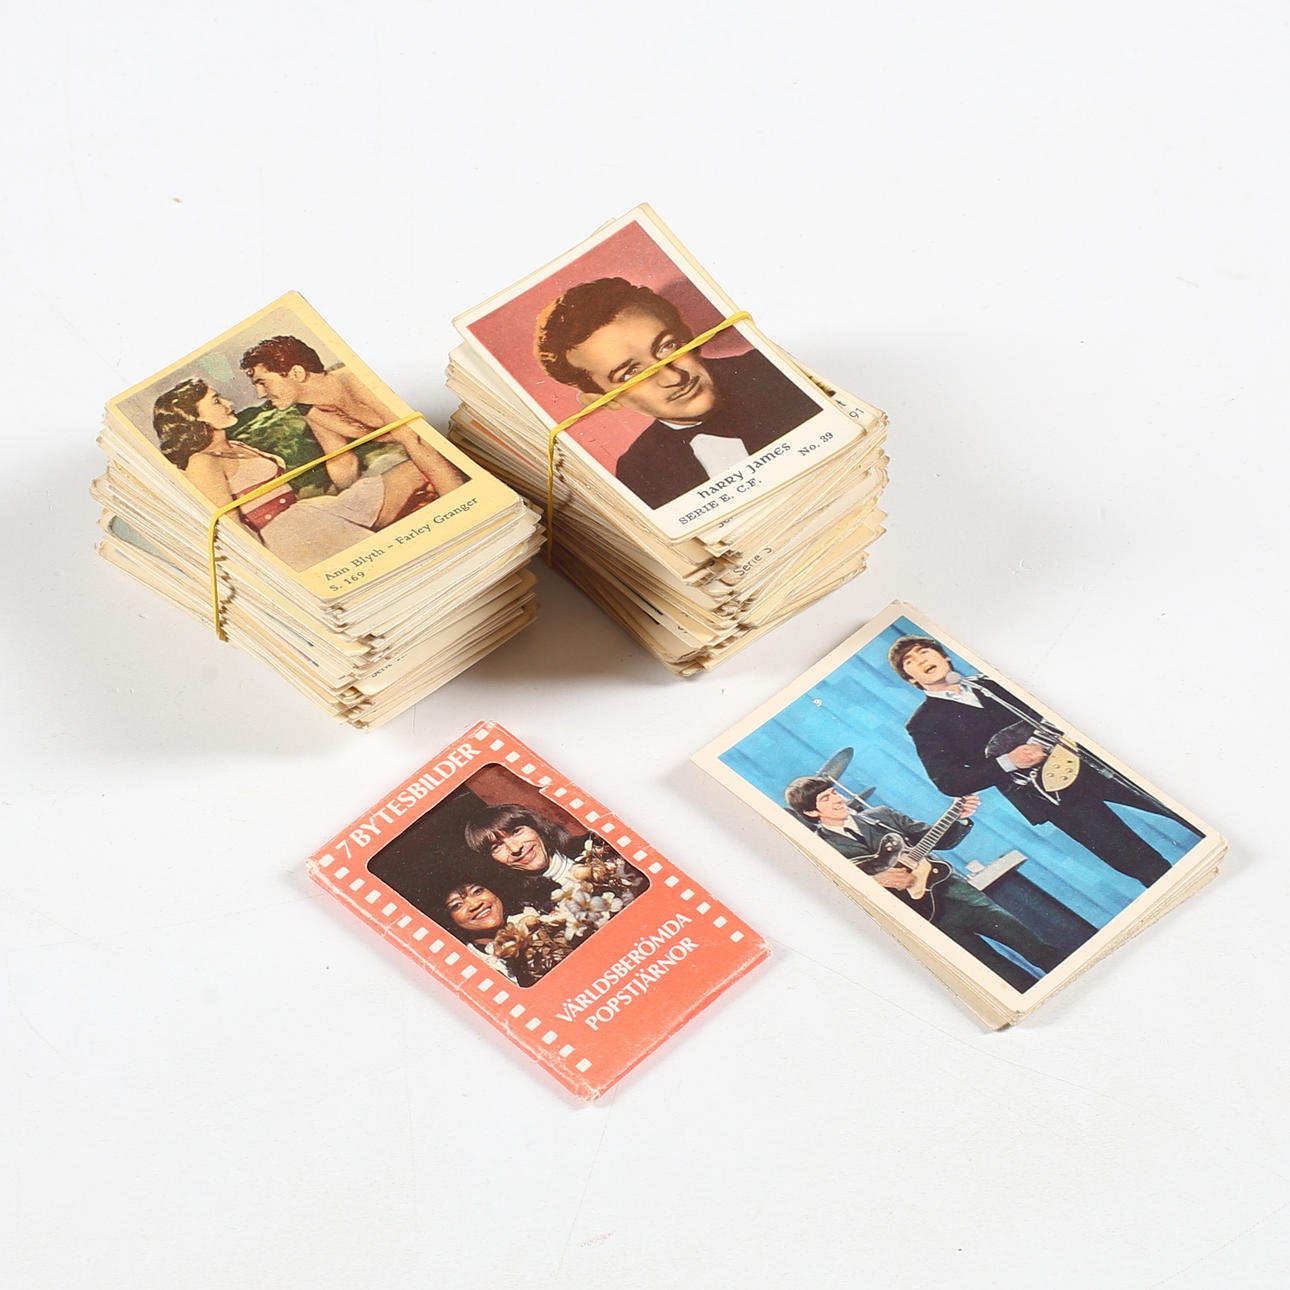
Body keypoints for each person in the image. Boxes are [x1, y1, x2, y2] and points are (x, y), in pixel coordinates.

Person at [890, 634, 1185, 888]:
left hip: (1089, 762)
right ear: (911, 679)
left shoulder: (992, 683)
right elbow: (949, 781)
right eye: (910, 662)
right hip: (1050, 797)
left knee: (1177, 805)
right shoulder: (923, 723)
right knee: (1138, 861)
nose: (921, 660)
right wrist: (1008, 761)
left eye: (924, 651)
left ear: (944, 656)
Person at [534, 277, 820, 508]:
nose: (673, 377)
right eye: (630, 373)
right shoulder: (639, 470)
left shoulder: (777, 372)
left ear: (687, 334)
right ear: (602, 402)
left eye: (667, 346)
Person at [785, 776, 1063, 992]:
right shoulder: (819, 848)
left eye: (834, 792)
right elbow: (837, 897)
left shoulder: (881, 815)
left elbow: (938, 839)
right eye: (826, 798)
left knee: (1034, 946)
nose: (837, 799)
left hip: (959, 896)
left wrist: (961, 817)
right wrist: (874, 882)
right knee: (1003, 976)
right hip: (925, 920)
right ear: (811, 812)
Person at [152, 378, 382, 571]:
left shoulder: (236, 445)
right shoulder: (201, 462)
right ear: (195, 417)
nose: (229, 403)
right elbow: (231, 527)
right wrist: (267, 570)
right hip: (287, 538)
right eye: (216, 401)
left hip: (306, 516)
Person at [239, 335, 468, 527]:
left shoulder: (355, 381)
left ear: (297, 373)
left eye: (263, 382)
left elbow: (414, 439)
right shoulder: (311, 409)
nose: (260, 394)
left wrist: (458, 503)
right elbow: (341, 461)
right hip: (424, 457)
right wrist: (352, 509)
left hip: (454, 438)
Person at [464, 802, 646, 931]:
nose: (515, 848)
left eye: (516, 832)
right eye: (497, 847)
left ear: (536, 827)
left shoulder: (601, 846)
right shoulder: (528, 911)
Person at [430, 861, 581, 987]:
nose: (475, 904)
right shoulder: (470, 967)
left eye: (477, 891)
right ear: (449, 920)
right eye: (456, 905)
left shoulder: (541, 918)